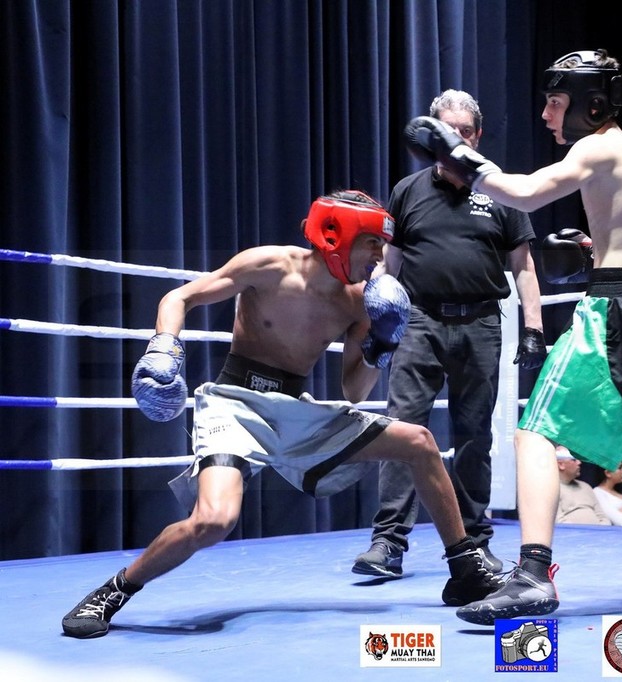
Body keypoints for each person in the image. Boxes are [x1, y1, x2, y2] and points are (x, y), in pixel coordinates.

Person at [403, 48, 622, 624]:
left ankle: (532, 575)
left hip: (613, 314)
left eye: (555, 102)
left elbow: (523, 193)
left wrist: (455, 151)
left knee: (534, 434)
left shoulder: (594, 148)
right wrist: (601, 250)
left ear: (589, 105)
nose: (546, 114)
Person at [61, 191, 500, 639]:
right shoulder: (268, 265)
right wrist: (164, 349)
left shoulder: (359, 301)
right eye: (372, 242)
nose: (379, 256)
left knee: (419, 443)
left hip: (295, 413)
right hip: (235, 406)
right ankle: (113, 591)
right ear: (337, 234)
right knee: (213, 520)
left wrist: (381, 345)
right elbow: (179, 298)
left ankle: (464, 568)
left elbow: (353, 390)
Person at [353, 90, 545, 578]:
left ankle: (474, 542)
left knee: (474, 435)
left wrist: (533, 328)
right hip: (419, 320)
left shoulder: (502, 190)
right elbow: (389, 264)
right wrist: (377, 321)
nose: (456, 138)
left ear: (476, 136)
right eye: (446, 130)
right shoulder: (408, 190)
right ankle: (388, 542)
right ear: (431, 135)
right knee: (401, 429)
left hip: (481, 323)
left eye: (464, 131)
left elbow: (523, 267)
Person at [555, 447, 611, 526]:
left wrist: (601, 530)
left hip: (599, 532)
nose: (579, 462)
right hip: (570, 533)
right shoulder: (551, 490)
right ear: (561, 465)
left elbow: (602, 517)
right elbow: (558, 522)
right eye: (574, 460)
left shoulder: (586, 486)